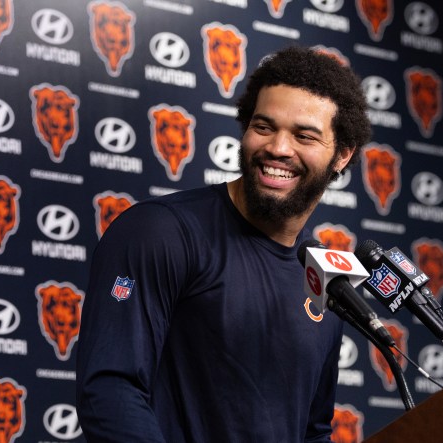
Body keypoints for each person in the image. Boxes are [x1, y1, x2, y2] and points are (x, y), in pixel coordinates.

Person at [75, 45, 372, 442]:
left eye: (304, 135)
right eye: (264, 127)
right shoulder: (160, 232)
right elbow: (110, 389)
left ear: (342, 155)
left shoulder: (324, 277)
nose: (278, 148)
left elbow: (313, 430)